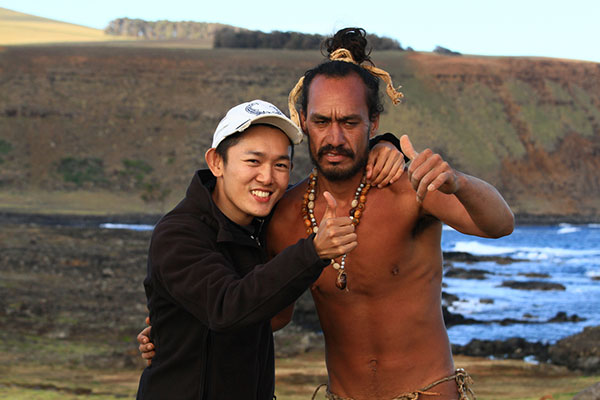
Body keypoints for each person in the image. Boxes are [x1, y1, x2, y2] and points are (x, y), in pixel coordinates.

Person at [140, 28, 515, 399]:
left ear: (374, 123)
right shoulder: (284, 214)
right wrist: (178, 328)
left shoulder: (409, 187)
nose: (334, 138)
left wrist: (459, 182)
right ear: (304, 121)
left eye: (350, 123)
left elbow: (500, 224)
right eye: (322, 122)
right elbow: (265, 312)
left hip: (427, 393)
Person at [135, 98, 405, 400]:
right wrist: (314, 252)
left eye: (280, 165)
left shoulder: (264, 222)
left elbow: (336, 176)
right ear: (216, 162)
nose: (267, 177)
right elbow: (228, 307)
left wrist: (385, 145)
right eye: (253, 161)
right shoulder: (178, 234)